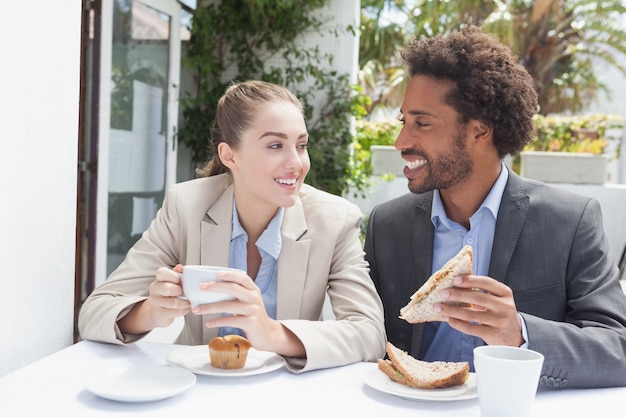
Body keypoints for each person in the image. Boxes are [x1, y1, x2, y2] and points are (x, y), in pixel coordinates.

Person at [364, 23, 626, 388]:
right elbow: (367, 337)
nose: (400, 140)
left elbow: (618, 350)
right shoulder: (386, 225)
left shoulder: (569, 222)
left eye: (422, 123)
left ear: (479, 131)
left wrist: (519, 333)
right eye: (404, 121)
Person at [79, 80, 386, 372]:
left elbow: (370, 334)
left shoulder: (335, 220)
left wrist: (273, 334)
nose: (297, 162)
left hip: (286, 396)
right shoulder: (186, 207)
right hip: (196, 390)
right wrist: (149, 312)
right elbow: (94, 313)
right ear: (229, 155)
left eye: (301, 145)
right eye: (276, 145)